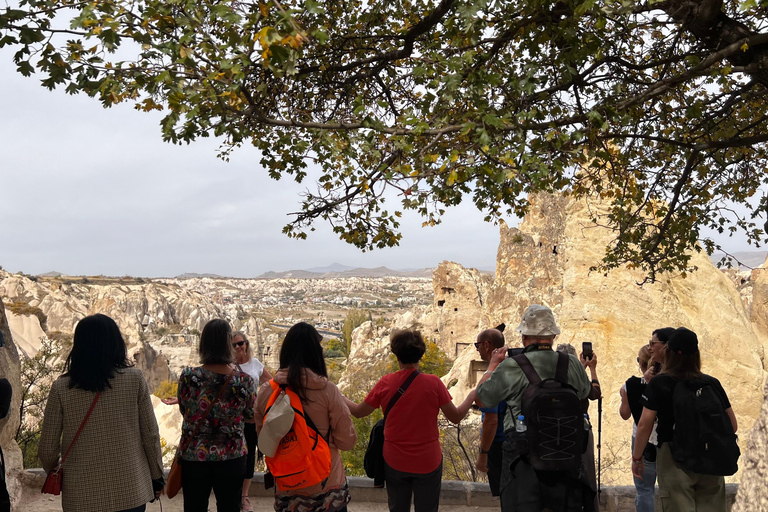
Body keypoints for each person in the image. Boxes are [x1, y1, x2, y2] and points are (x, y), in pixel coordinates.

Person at [38, 314, 164, 512]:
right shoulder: (135, 379)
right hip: (131, 489)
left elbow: (47, 449)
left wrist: (58, 471)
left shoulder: (61, 388)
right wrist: (157, 476)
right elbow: (150, 435)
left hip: (80, 494)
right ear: (115, 343)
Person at [476, 304, 592, 512]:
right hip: (566, 457)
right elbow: (584, 393)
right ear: (553, 337)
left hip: (522, 460)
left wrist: (492, 366)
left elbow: (484, 397)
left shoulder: (512, 366)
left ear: (524, 337)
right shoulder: (571, 363)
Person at [345, 329, 476, 512]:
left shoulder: (386, 383)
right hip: (427, 460)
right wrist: (471, 396)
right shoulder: (434, 383)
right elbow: (455, 417)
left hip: (395, 460)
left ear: (396, 354)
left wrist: (335, 393)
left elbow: (359, 412)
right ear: (420, 354)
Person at [632, 327, 738, 512]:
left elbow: (644, 424)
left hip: (674, 458)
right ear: (696, 355)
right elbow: (732, 425)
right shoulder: (711, 383)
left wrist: (637, 457)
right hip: (711, 458)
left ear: (669, 353)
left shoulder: (661, 383)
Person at [254, 322, 357, 512]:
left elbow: (266, 441)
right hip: (327, 485)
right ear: (315, 353)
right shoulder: (328, 391)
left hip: (287, 485)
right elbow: (347, 441)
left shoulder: (267, 391)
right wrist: (326, 440)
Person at [176, 319, 256, 512]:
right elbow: (250, 415)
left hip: (195, 456)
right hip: (232, 455)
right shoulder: (243, 381)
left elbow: (184, 410)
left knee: (194, 507)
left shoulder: (188, 376)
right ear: (228, 344)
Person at [557, 343, 601, 512]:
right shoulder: (578, 376)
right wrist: (591, 370)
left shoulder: (551, 376)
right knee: (587, 473)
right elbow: (595, 393)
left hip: (554, 430)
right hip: (579, 430)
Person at [232, 330, 273, 512]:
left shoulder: (255, 364)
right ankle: (234, 494)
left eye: (240, 343)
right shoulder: (227, 366)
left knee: (249, 456)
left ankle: (244, 496)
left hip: (251, 419)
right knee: (235, 456)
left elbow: (272, 383)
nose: (238, 347)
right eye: (234, 345)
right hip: (233, 420)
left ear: (247, 344)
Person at [619, 344, 660, 512]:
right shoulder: (669, 384)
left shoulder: (630, 385)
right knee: (669, 489)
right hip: (667, 440)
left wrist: (624, 397)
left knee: (644, 490)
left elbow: (625, 414)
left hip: (641, 442)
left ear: (640, 363)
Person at [474, 327, 507, 497]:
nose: (477, 349)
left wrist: (483, 453)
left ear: (486, 345)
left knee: (504, 495)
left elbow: (491, 420)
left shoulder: (494, 374)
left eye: (477, 345)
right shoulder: (513, 368)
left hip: (499, 444)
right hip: (518, 439)